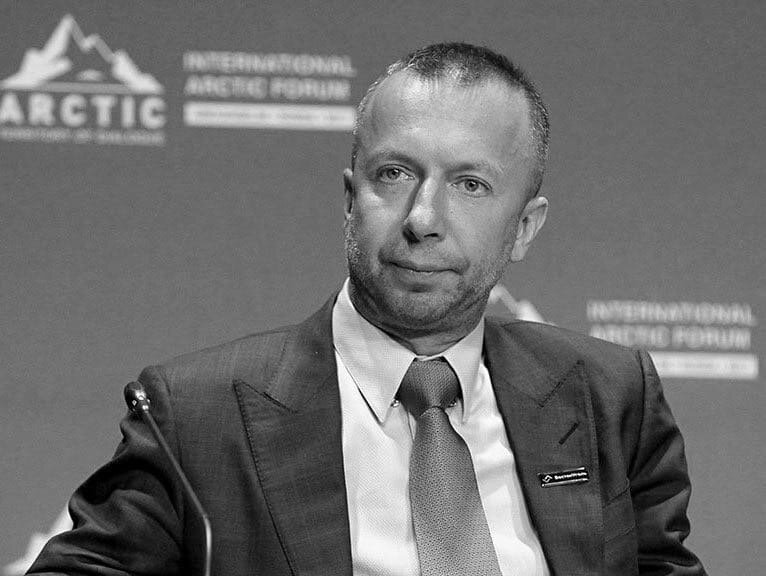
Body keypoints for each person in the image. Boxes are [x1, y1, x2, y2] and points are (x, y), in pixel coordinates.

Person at [28, 42, 706, 576]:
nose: (423, 219)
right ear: (350, 200)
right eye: (395, 174)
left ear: (525, 227)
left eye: (471, 184)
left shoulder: (610, 397)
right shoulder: (195, 418)